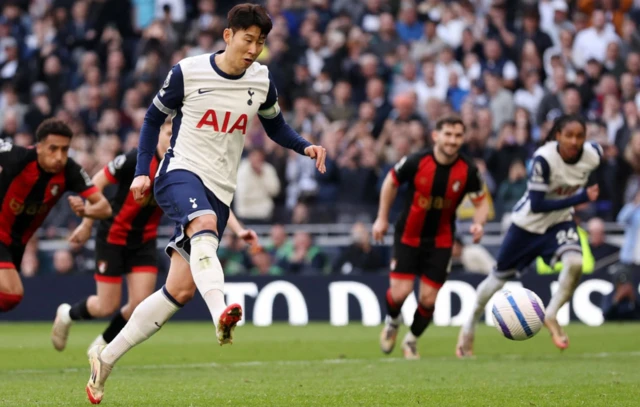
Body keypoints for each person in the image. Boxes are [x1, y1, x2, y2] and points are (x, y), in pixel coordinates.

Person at [85, 4, 326, 404]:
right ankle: (222, 314)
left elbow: (275, 125)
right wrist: (144, 170)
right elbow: (150, 121)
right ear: (228, 35)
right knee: (204, 223)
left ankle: (105, 359)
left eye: (261, 42)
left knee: (178, 290)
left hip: (220, 186)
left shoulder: (261, 78)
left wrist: (306, 146)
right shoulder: (188, 71)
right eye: (248, 39)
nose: (254, 49)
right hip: (179, 171)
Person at [457, 115, 601, 357]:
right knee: (496, 280)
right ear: (557, 136)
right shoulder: (544, 159)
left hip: (559, 223)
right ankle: (469, 326)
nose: (575, 141)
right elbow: (537, 204)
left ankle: (552, 314)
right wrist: (581, 197)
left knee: (575, 262)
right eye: (569, 135)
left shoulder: (594, 154)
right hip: (526, 226)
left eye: (580, 136)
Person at [373, 116, 489, 360]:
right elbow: (390, 183)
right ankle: (393, 322)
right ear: (436, 136)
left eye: (458, 136)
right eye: (448, 134)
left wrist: (479, 223)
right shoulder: (417, 161)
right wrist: (382, 218)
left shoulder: (468, 170)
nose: (452, 140)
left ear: (463, 138)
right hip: (408, 236)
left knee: (428, 300)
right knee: (400, 293)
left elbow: (481, 202)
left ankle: (411, 340)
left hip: (441, 240)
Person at [50, 122, 172, 353]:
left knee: (140, 306)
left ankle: (102, 346)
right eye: (169, 133)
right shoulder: (137, 159)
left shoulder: (179, 166)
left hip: (144, 241)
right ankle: (67, 314)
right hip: (113, 236)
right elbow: (97, 181)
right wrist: (87, 223)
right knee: (106, 306)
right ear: (158, 136)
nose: (172, 139)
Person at [0, 118, 111, 313]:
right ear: (39, 147)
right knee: (12, 293)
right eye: (53, 149)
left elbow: (104, 207)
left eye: (64, 149)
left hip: (16, 244)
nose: (59, 156)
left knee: (9, 300)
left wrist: (86, 212)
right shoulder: (17, 156)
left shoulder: (70, 171)